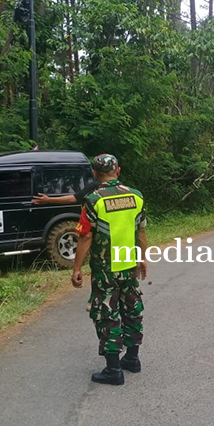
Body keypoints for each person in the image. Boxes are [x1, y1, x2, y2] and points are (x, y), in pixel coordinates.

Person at [71, 154, 148, 386]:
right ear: (118, 170)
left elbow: (85, 237)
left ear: (95, 174)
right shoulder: (136, 196)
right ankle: (132, 359)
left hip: (106, 266)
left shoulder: (93, 200)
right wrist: (143, 257)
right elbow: (141, 232)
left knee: (107, 312)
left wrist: (76, 268)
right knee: (132, 306)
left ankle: (113, 369)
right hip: (129, 261)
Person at [31, 178, 98, 206]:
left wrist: (49, 200)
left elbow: (74, 198)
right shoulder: (98, 186)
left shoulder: (94, 186)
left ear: (94, 172)